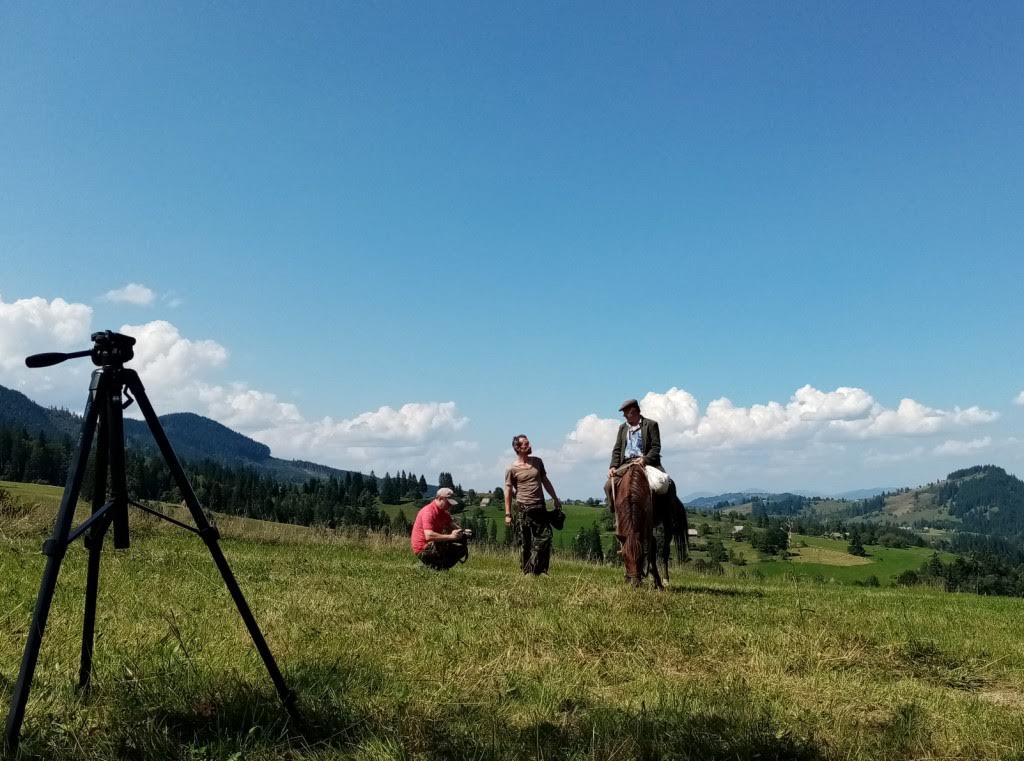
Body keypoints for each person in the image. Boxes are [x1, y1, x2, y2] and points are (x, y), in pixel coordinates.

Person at [604, 398, 685, 532]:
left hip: (647, 463)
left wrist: (645, 459)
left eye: (626, 413)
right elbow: (617, 449)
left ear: (634, 412)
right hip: (626, 464)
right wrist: (613, 466)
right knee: (608, 486)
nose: (624, 416)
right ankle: (617, 515)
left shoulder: (651, 425)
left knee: (664, 485)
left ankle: (664, 515)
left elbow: (655, 447)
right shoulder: (623, 428)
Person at [504, 434, 562, 575]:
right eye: (526, 444)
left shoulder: (537, 462)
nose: (529, 445)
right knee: (525, 542)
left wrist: (555, 498)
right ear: (518, 448)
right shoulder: (511, 469)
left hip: (539, 506)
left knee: (545, 537)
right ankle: (526, 571)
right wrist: (508, 514)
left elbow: (545, 481)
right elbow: (508, 490)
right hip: (523, 509)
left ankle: (540, 570)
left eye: (528, 443)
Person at [411, 487, 468, 570]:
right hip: (422, 548)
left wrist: (463, 532)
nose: (450, 505)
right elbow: (429, 536)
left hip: (432, 544)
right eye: (448, 503)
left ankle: (437, 567)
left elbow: (453, 527)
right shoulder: (429, 512)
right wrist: (451, 537)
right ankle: (435, 567)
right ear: (440, 498)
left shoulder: (444, 513)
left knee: (461, 548)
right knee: (448, 546)